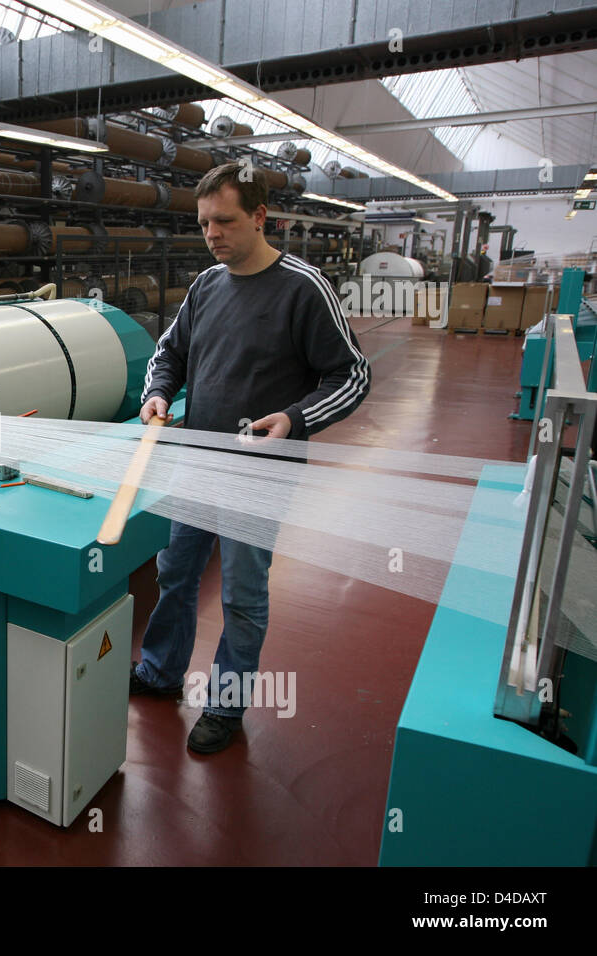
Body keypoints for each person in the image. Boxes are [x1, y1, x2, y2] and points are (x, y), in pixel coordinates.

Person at [131, 162, 370, 754]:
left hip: (258, 474)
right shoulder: (207, 286)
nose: (212, 234)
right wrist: (157, 392)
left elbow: (353, 375)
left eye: (225, 222)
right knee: (176, 573)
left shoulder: (303, 287)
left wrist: (296, 418)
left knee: (241, 592)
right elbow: (170, 353)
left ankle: (226, 706)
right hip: (198, 462)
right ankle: (160, 672)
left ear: (261, 217)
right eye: (204, 223)